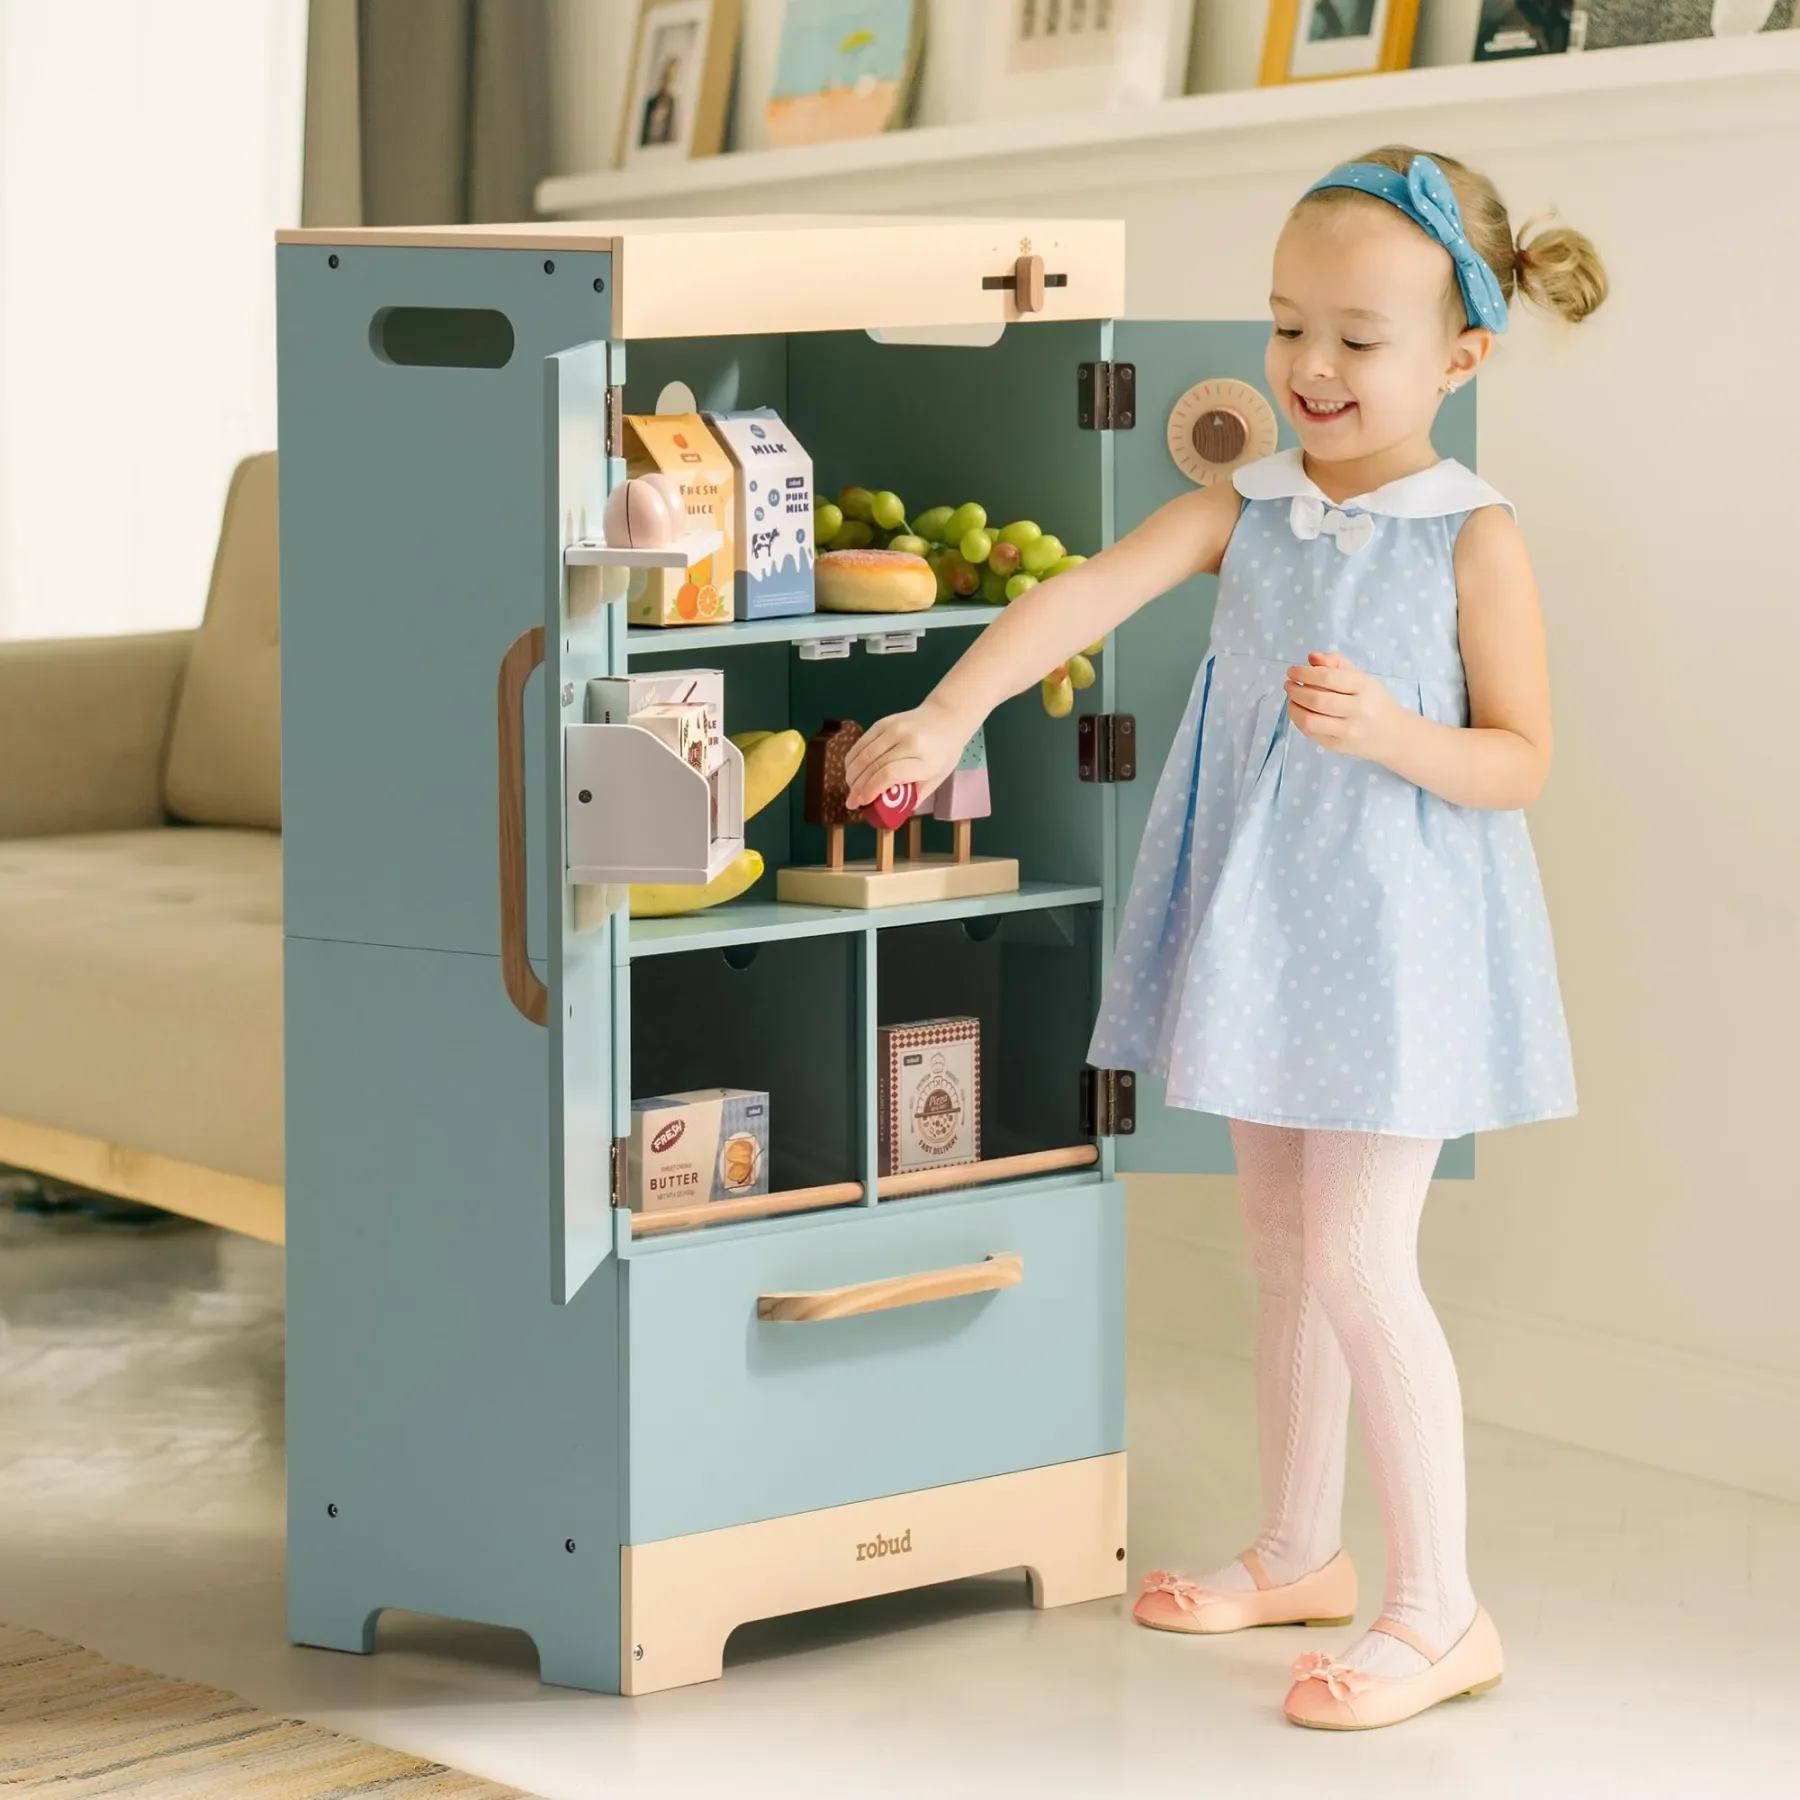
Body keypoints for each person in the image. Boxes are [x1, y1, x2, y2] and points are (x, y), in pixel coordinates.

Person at [845, 145, 1607, 1731]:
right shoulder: (1245, 508)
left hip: (1394, 947)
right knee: (1281, 1250)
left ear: (1462, 357)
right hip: (1264, 927)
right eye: (1287, 325)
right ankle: (1298, 1548)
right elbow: (1080, 599)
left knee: (1357, 1257)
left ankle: (1442, 1610)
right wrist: (949, 710)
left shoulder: (1471, 536)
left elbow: (1522, 758)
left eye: (1358, 337)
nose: (1310, 367)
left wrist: (1395, 732)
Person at [640, 55, 680, 148]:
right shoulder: (650, 103)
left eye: (672, 77)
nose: (668, 81)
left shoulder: (674, 106)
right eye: (667, 76)